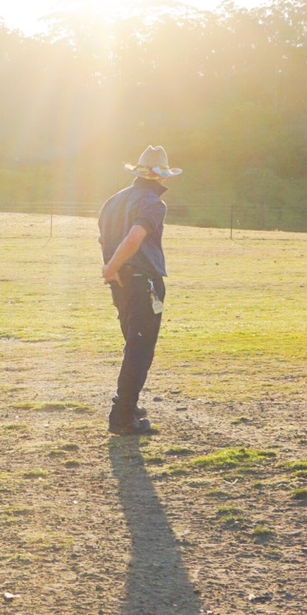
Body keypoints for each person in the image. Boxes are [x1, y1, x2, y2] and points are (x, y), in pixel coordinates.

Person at [98, 146, 181, 435]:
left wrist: (111, 270)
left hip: (120, 283)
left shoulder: (114, 200)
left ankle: (129, 405)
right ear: (161, 176)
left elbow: (104, 239)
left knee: (132, 342)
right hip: (141, 281)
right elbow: (135, 238)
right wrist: (112, 268)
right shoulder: (153, 204)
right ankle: (122, 416)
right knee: (140, 349)